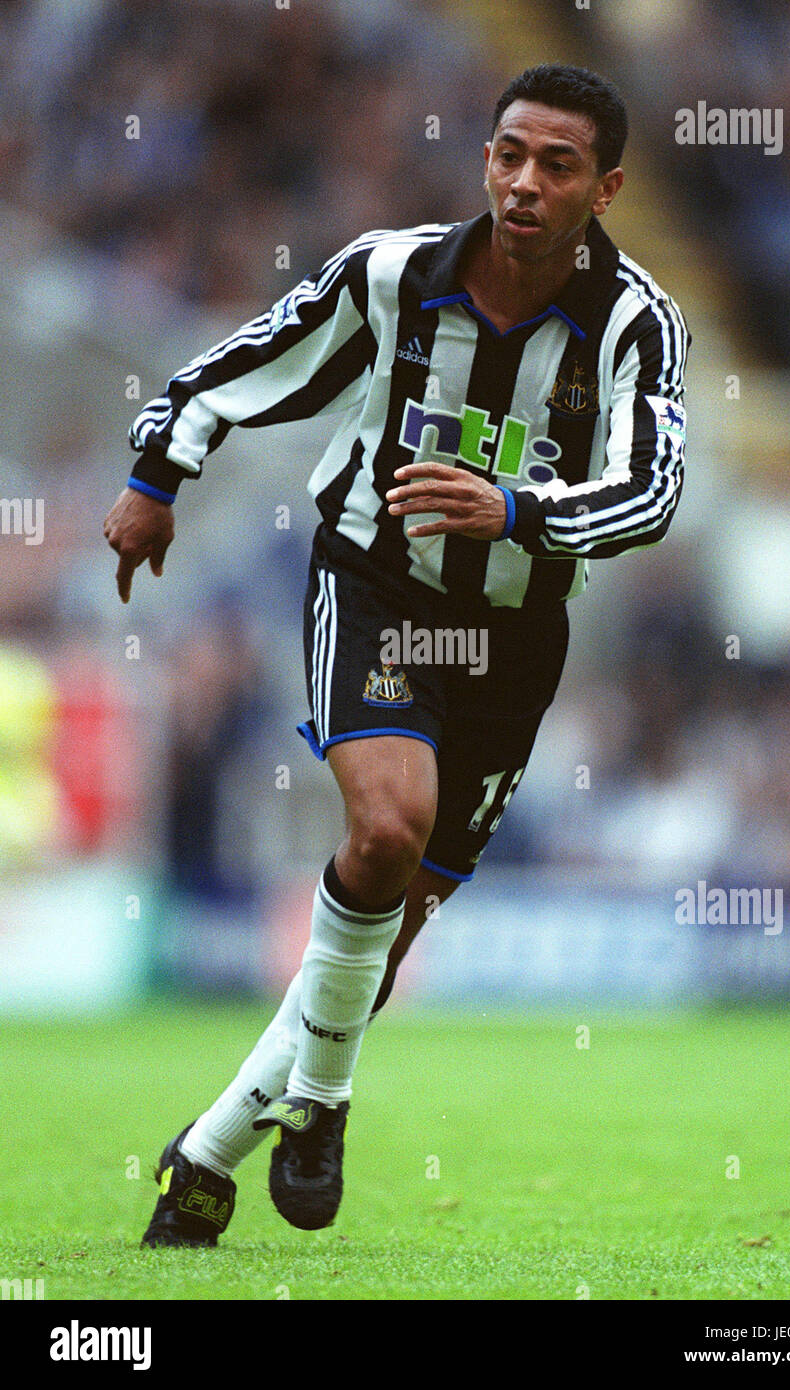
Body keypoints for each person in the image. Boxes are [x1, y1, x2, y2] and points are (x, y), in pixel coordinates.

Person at [103, 63, 689, 1247]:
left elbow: (652, 489)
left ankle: (209, 1151)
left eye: (556, 164)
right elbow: (249, 363)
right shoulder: (391, 274)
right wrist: (156, 475)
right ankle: (321, 1102)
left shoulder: (636, 324)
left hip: (514, 636)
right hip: (375, 585)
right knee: (384, 830)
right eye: (508, 153)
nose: (523, 181)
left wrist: (515, 511)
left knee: (389, 926)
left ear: (606, 187)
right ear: (485, 158)